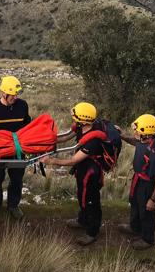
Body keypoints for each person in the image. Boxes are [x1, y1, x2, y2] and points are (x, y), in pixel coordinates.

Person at [42, 102, 104, 246]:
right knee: (81, 195)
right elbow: (65, 137)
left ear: (82, 120)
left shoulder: (93, 141)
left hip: (91, 173)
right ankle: (82, 220)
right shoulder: (82, 127)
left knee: (91, 201)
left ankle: (92, 232)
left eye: (75, 116)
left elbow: (73, 160)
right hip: (83, 169)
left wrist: (52, 161)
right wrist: (46, 140)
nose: (73, 118)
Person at [0, 76, 31, 220]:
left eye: (17, 94)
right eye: (13, 94)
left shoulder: (23, 105)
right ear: (3, 93)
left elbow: (28, 124)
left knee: (16, 179)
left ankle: (13, 205)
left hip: (18, 149)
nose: (15, 97)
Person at [117, 114, 155, 250]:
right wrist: (122, 136)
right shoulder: (143, 141)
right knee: (135, 204)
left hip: (147, 185)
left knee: (146, 211)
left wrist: (153, 199)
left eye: (137, 130)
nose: (135, 132)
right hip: (138, 179)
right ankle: (135, 228)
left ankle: (148, 239)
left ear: (146, 133)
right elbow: (134, 141)